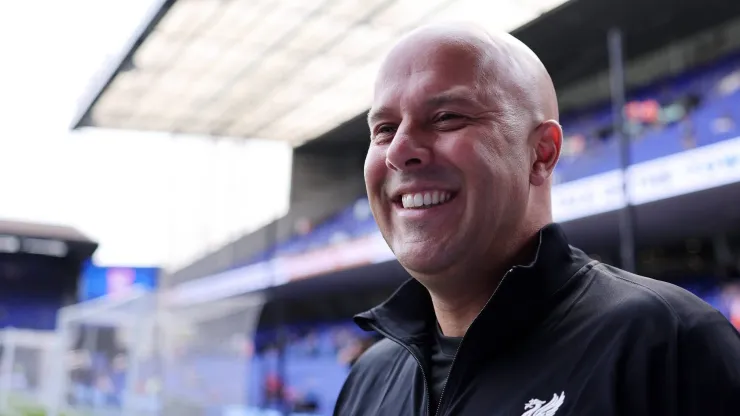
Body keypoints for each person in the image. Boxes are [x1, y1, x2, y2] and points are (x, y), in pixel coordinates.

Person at [334, 23, 740, 416]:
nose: (399, 150)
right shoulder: (368, 379)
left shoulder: (667, 344)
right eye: (384, 129)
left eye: (446, 118)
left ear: (542, 153)